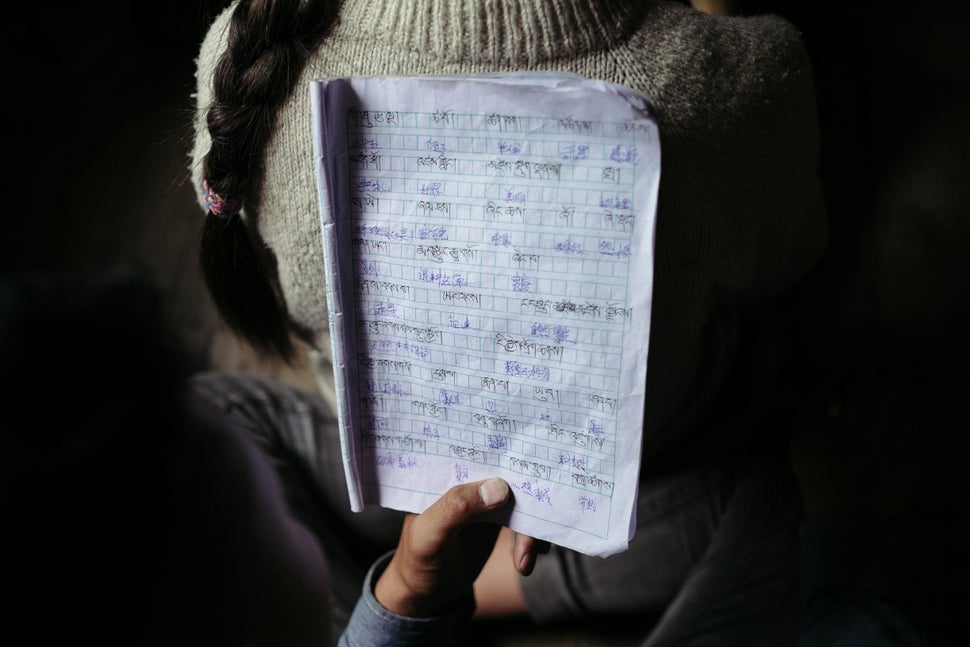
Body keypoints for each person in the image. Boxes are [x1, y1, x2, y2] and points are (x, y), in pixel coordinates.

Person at [189, 0, 828, 643]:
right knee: (789, 490)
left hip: (382, 474)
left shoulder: (245, 57)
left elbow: (277, 290)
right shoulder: (734, 77)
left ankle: (409, 593)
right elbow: (787, 262)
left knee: (199, 416)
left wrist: (398, 602)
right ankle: (508, 585)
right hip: (641, 462)